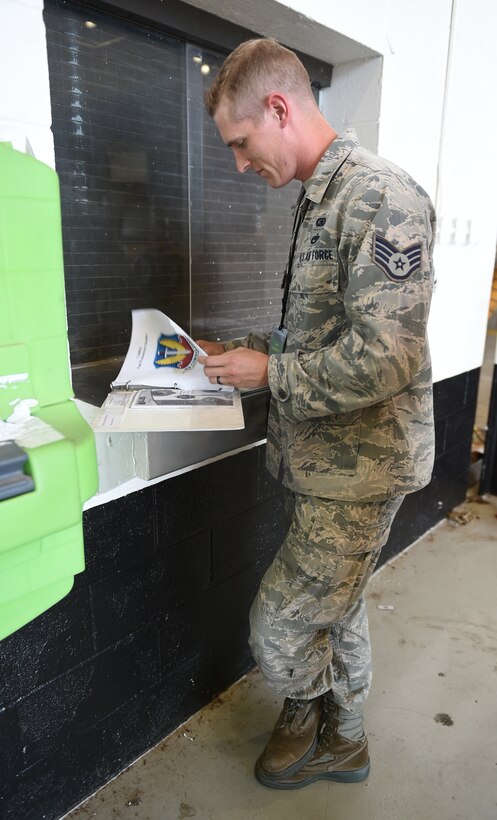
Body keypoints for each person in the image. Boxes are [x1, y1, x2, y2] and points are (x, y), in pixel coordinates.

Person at [197, 37, 435, 790]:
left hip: (361, 470)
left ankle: (305, 710)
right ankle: (347, 739)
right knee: (341, 607)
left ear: (277, 107)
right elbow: (316, 332)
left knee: (280, 624)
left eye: (240, 143)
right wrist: (240, 350)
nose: (239, 164)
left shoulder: (378, 197)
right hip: (325, 462)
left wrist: (273, 372)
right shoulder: (320, 198)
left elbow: (387, 356)